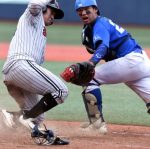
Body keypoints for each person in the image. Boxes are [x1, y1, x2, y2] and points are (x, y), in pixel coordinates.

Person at [74, 0, 150, 134]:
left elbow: (103, 46)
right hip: (140, 61)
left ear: (96, 9)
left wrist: (91, 63)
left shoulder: (100, 23)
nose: (83, 13)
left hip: (130, 60)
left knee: (88, 78)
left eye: (87, 9)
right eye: (80, 10)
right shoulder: (93, 27)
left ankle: (97, 126)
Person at [1, 0, 68, 132]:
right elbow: (34, 5)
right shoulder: (33, 17)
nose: (53, 16)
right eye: (52, 12)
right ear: (43, 9)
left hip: (17, 73)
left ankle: (10, 116)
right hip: (20, 65)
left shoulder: (40, 31)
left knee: (36, 117)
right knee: (61, 91)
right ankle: (25, 118)